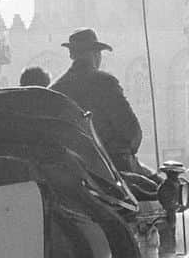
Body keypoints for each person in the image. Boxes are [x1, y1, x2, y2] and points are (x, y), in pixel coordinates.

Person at [51, 28, 146, 173]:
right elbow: (132, 133)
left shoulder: (54, 89)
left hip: (69, 170)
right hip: (112, 168)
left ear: (71, 54)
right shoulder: (105, 82)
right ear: (96, 54)